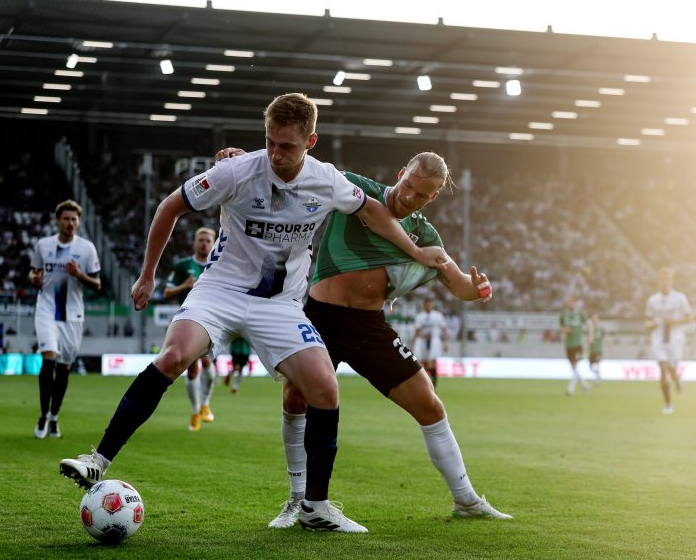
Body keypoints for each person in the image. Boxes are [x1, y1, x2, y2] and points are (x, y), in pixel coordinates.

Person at [59, 93, 446, 534]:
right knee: (173, 356)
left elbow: (373, 210)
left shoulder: (328, 180)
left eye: (287, 146)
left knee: (324, 387)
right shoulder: (237, 170)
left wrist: (414, 250)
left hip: (280, 305)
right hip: (220, 290)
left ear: (311, 141)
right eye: (270, 142)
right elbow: (171, 206)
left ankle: (315, 507)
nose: (276, 154)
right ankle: (98, 460)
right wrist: (147, 275)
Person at [215, 146, 511, 528]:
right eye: (408, 186)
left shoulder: (424, 233)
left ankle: (466, 499)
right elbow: (299, 172)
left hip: (369, 329)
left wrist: (480, 289)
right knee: (295, 396)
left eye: (422, 195)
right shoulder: (354, 188)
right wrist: (246, 161)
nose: (409, 197)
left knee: (430, 405)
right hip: (321, 317)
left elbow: (459, 286)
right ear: (402, 171)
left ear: (434, 196)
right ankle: (297, 500)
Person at [29, 199, 101, 439]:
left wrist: (78, 274)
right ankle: (42, 415)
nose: (70, 223)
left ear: (78, 222)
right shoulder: (43, 245)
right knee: (48, 358)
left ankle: (54, 417)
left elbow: (97, 284)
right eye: (66, 219)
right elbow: (34, 271)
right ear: (58, 220)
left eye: (74, 219)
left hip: (73, 313)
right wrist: (35, 279)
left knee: (64, 367)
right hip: (47, 309)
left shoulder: (86, 249)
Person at [163, 227, 217, 431]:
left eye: (208, 240)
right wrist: (185, 286)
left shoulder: (219, 264)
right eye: (201, 240)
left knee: (210, 371)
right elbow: (167, 293)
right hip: (190, 321)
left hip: (214, 321)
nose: (204, 243)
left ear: (214, 243)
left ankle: (205, 404)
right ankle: (196, 411)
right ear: (195, 243)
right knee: (193, 369)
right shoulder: (182, 265)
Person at [645, 267, 692, 414]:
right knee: (663, 369)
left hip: (675, 337)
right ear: (659, 281)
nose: (665, 282)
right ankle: (668, 405)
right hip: (659, 337)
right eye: (662, 279)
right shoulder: (652, 300)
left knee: (671, 369)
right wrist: (650, 325)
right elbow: (648, 319)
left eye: (667, 279)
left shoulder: (680, 298)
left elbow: (689, 317)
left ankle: (676, 378)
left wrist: (675, 321)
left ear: (671, 281)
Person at [413, 298, 448, 388]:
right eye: (426, 304)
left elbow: (444, 330)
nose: (428, 306)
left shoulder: (438, 315)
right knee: (424, 363)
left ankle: (434, 384)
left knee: (432, 361)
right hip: (423, 341)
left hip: (434, 341)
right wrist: (421, 335)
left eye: (429, 304)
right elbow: (417, 331)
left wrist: (445, 343)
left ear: (432, 305)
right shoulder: (420, 316)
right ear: (424, 305)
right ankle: (427, 383)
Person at [560, 297, 588, 396]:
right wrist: (564, 331)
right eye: (568, 303)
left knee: (575, 365)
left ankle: (570, 389)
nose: (570, 305)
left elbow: (588, 325)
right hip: (568, 344)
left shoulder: (580, 314)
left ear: (575, 304)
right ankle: (584, 384)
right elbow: (562, 328)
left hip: (578, 344)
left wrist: (589, 338)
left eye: (571, 303)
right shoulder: (564, 315)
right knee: (573, 367)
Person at [586, 312, 606, 386]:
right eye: (593, 318)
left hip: (598, 350)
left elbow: (606, 338)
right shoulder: (590, 328)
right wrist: (587, 347)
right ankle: (598, 376)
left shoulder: (601, 329)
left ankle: (597, 380)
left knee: (597, 364)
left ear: (598, 319)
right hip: (592, 350)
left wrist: (612, 349)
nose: (594, 319)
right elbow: (589, 340)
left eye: (595, 318)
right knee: (590, 367)